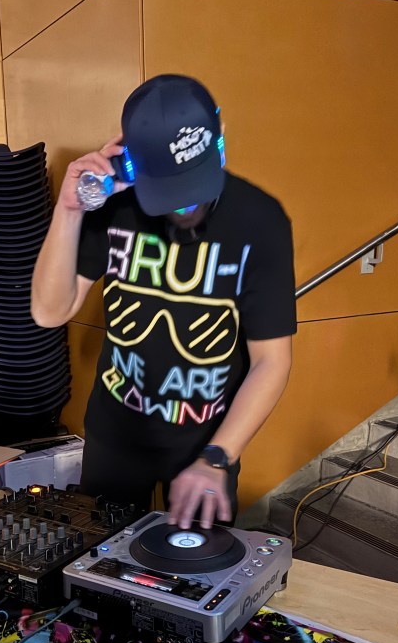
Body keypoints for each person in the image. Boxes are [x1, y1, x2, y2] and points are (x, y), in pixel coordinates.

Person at [31, 74, 296, 529]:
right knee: (98, 571)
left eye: (196, 184)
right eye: (170, 194)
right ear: (132, 161)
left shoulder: (261, 220)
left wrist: (218, 456)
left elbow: (271, 361)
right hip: (115, 436)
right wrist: (70, 210)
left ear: (220, 138)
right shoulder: (115, 204)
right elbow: (49, 310)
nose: (186, 207)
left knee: (195, 585)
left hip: (206, 445)